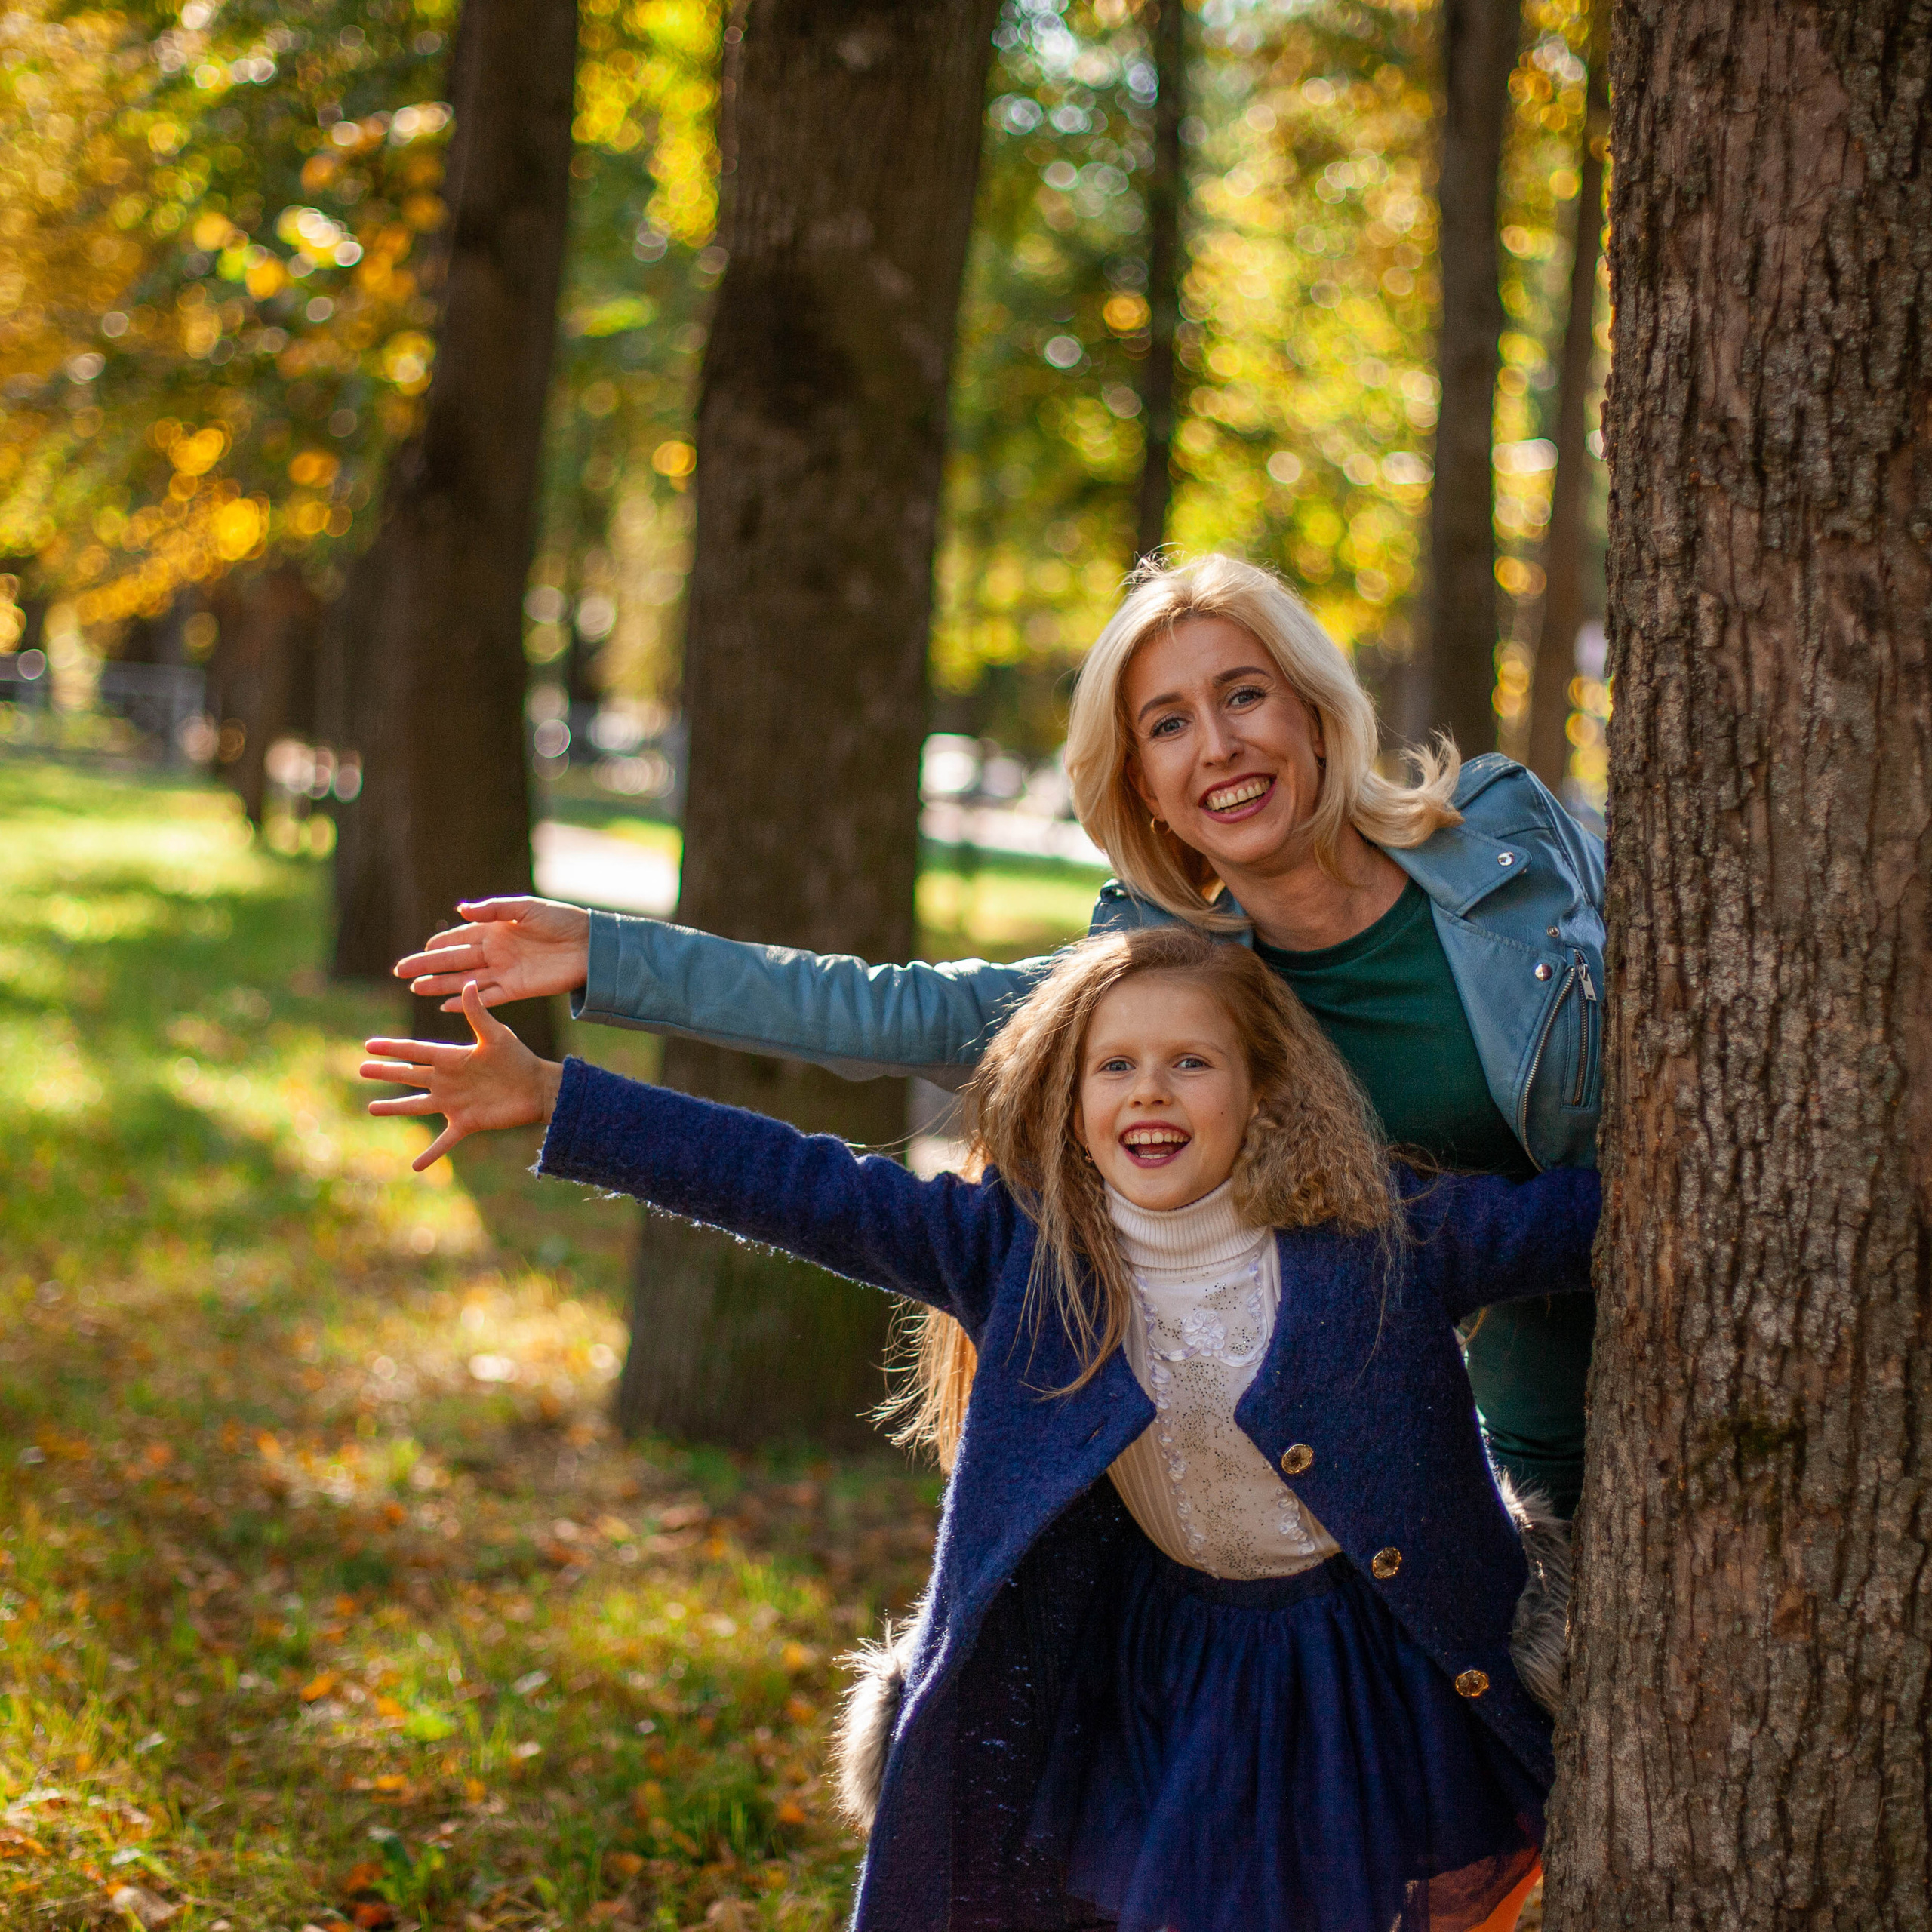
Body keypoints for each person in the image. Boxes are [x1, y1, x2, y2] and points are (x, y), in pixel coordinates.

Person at [360, 926, 1596, 1932]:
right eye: (1115, 1067)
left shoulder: (1385, 1239)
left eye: (1191, 1064)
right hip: (1161, 1665)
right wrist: (555, 1099)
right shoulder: (1017, 1252)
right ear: (1068, 1097)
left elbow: (1587, 1215)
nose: (1149, 1093)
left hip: (1363, 1671)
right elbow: (795, 1184)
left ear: (1264, 1091)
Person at [393, 555, 1605, 1518]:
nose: (1220, 747)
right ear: (1138, 782)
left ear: (1317, 712)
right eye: (1169, 725)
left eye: (1244, 696)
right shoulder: (1179, 993)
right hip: (1515, 1455)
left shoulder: (1508, 841)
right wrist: (613, 956)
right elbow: (890, 1010)